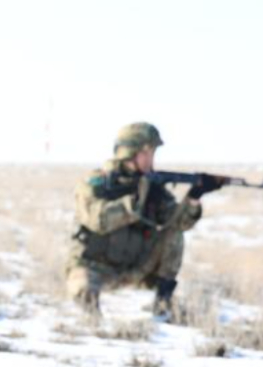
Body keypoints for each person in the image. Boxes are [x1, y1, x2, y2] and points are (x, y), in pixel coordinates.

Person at [65, 122, 221, 321]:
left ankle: (163, 303)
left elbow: (177, 223)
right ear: (129, 153)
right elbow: (98, 220)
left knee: (173, 233)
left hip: (133, 268)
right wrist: (134, 202)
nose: (151, 159)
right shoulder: (97, 183)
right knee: (84, 299)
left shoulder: (151, 186)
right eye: (146, 153)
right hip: (94, 266)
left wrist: (193, 198)